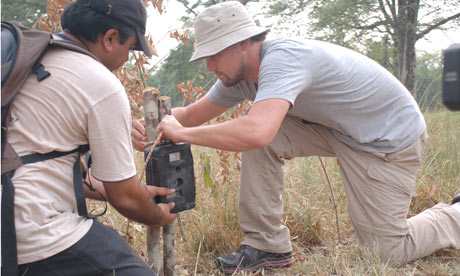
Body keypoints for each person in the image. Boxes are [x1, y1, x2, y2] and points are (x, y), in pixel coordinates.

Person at [133, 1, 460, 273]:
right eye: (205, 56)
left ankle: (455, 216)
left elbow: (256, 130)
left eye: (215, 53)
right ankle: (266, 246)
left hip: (387, 139)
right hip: (336, 129)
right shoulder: (239, 75)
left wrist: (184, 134)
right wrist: (145, 126)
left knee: (389, 251)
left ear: (245, 42)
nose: (209, 65)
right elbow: (189, 116)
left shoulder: (282, 60)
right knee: (260, 132)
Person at [6, 0, 177, 275]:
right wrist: (158, 215)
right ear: (110, 38)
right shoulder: (100, 83)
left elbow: (36, 161)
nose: (128, 59)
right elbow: (127, 199)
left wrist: (123, 191)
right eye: (131, 48)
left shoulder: (24, 59)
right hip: (31, 232)